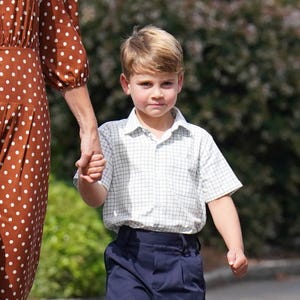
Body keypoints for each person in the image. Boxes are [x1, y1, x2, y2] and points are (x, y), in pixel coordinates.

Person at [75, 25, 248, 300]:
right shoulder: (110, 135)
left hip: (180, 259)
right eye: (146, 84)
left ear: (179, 82)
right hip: (129, 256)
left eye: (166, 83)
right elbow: (95, 198)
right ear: (126, 84)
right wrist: (88, 179)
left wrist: (235, 246)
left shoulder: (198, 139)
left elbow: (219, 198)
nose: (157, 93)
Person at [0, 1, 103, 299]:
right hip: (23, 99)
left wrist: (89, 128)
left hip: (24, 108)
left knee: (16, 245)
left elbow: (58, 34)